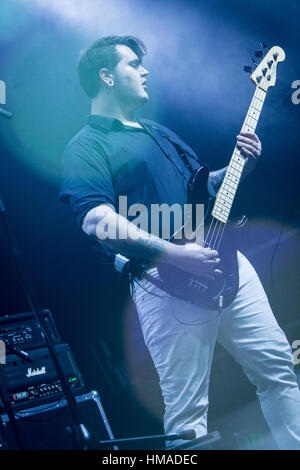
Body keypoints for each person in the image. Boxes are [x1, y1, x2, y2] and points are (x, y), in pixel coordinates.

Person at [59, 36, 300, 449]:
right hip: (165, 279)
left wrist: (243, 165)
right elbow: (96, 219)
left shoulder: (158, 133)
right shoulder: (85, 145)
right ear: (106, 77)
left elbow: (203, 187)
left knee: (278, 369)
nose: (145, 70)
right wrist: (175, 254)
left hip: (224, 260)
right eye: (133, 64)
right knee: (188, 413)